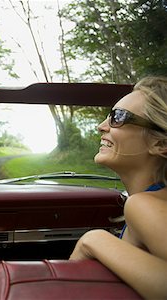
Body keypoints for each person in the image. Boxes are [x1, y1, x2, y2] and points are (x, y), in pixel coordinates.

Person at [69, 76, 167, 299]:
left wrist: (94, 240)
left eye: (118, 117)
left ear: (161, 144)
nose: (101, 126)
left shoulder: (143, 204)